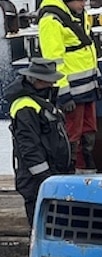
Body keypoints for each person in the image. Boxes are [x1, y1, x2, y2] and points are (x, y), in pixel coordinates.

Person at [37, 0, 102, 173]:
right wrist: (63, 93)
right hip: (71, 92)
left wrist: (97, 80)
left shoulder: (78, 14)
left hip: (86, 88)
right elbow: (54, 60)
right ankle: (70, 172)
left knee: (88, 132)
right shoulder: (52, 21)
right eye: (80, 0)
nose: (84, 4)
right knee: (71, 135)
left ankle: (87, 172)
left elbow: (87, 50)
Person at [4, 57, 74, 226]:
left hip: (51, 176)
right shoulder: (26, 107)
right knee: (42, 226)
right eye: (49, 81)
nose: (52, 85)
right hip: (37, 182)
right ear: (37, 80)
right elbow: (29, 148)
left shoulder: (41, 102)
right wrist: (46, 178)